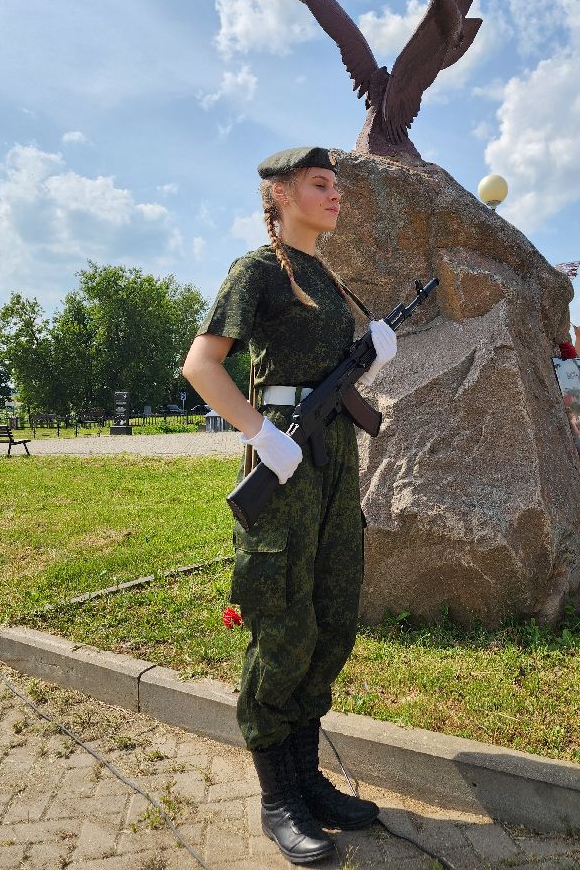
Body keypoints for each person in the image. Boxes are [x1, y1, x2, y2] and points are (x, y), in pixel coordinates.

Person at [182, 146, 397, 865]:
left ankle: (308, 781)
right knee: (283, 627)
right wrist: (259, 433)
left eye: (337, 185)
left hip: (335, 459)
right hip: (284, 461)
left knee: (332, 616)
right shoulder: (258, 271)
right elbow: (201, 365)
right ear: (279, 193)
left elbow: (328, 372)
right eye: (320, 184)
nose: (336, 195)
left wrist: (370, 352)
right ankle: (278, 797)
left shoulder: (326, 277)